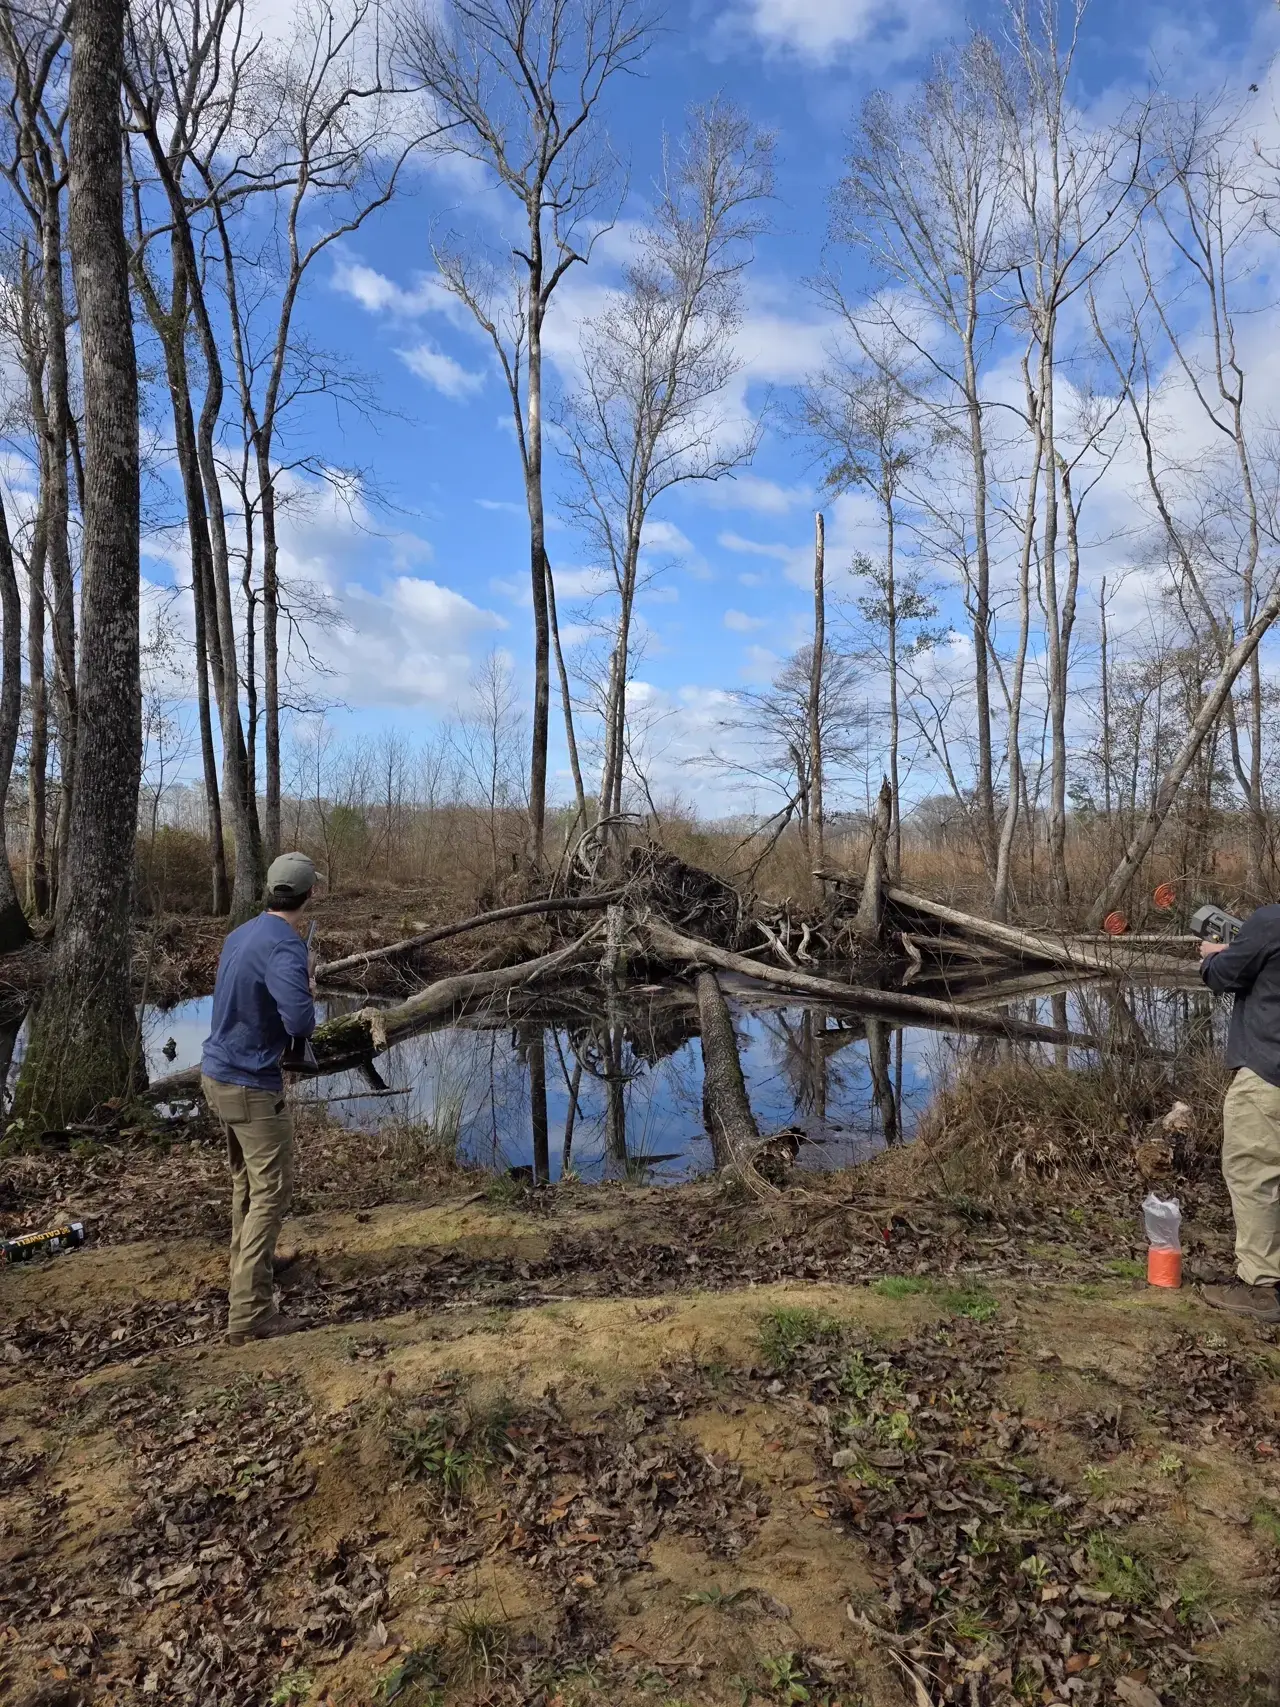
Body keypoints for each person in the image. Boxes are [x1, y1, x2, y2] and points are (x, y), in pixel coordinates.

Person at [201, 852, 319, 1346]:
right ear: (309, 895)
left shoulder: (241, 934)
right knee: (271, 1194)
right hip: (251, 1085)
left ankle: (254, 1269)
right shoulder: (285, 947)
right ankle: (249, 1314)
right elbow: (299, 1021)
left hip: (218, 1075)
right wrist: (308, 987)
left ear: (270, 890)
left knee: (246, 1187)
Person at [1199, 906, 1280, 1324]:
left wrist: (1213, 954)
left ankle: (1261, 1288)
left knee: (1255, 1174)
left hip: (1269, 1073)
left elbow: (1221, 976)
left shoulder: (1270, 922)